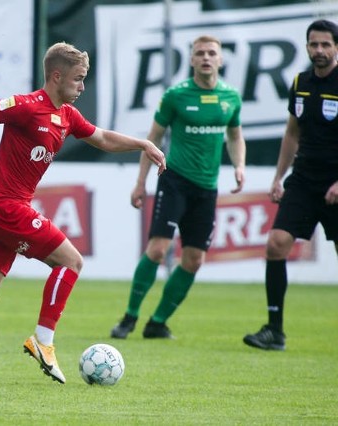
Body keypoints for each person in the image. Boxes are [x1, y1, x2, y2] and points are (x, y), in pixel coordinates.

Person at [0, 42, 166, 383]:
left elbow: (102, 139)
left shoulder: (67, 115)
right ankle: (44, 340)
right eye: (78, 79)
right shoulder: (25, 106)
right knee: (71, 261)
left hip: (0, 211)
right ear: (57, 76)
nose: (83, 87)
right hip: (5, 206)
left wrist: (143, 143)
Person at [110, 35, 246, 340]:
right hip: (175, 181)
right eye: (200, 53)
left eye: (212, 52)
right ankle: (130, 316)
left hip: (207, 188)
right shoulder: (176, 95)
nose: (207, 57)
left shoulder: (231, 97)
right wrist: (140, 182)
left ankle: (157, 322)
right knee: (158, 249)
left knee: (194, 259)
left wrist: (239, 165)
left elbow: (235, 136)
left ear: (221, 59)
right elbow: (153, 139)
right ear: (192, 60)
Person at [243, 19, 338, 351]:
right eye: (314, 44)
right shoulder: (300, 82)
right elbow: (292, 132)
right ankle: (274, 330)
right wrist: (278, 176)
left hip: (335, 184)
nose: (319, 50)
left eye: (326, 44)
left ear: (336, 47)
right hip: (304, 180)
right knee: (276, 244)